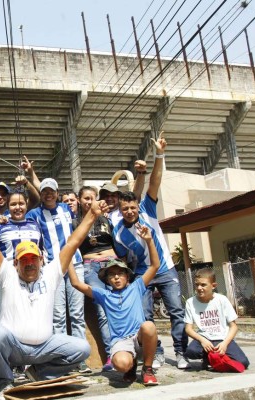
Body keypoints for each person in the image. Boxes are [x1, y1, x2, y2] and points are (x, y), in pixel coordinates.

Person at [0, 194, 106, 400]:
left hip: (45, 346)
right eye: (23, 260)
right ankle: (4, 382)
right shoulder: (7, 274)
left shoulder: (51, 274)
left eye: (33, 259)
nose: (29, 264)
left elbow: (72, 243)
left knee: (82, 348)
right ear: (15, 263)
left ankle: (38, 373)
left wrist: (92, 214)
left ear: (41, 260)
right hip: (14, 348)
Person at [112, 134, 190, 370]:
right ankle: (155, 353)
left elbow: (154, 182)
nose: (129, 211)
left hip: (165, 268)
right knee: (146, 317)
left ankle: (181, 353)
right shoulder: (117, 233)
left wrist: (159, 155)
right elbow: (124, 261)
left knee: (177, 310)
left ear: (137, 206)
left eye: (132, 207)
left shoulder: (148, 208)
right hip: (143, 275)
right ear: (120, 209)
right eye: (125, 208)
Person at [69, 225, 161, 387]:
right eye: (112, 274)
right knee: (120, 364)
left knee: (149, 326)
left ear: (127, 276)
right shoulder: (104, 295)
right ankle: (130, 367)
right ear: (107, 279)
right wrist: (69, 253)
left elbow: (154, 266)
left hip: (139, 339)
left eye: (120, 273)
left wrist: (149, 240)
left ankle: (147, 369)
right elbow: (76, 283)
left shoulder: (136, 287)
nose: (116, 277)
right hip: (121, 342)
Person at [26, 177, 89, 373]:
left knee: (77, 314)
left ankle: (81, 358)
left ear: (57, 192)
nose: (48, 194)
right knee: (58, 316)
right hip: (54, 267)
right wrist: (29, 176)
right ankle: (63, 359)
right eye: (44, 191)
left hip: (75, 263)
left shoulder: (66, 208)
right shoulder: (35, 214)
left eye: (51, 190)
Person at [73, 185, 116, 371]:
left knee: (118, 307)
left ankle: (126, 351)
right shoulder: (75, 222)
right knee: (101, 311)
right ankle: (110, 356)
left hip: (112, 264)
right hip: (90, 267)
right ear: (79, 200)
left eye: (92, 198)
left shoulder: (107, 218)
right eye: (85, 198)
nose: (89, 201)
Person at [184, 268, 249, 371]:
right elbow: (188, 329)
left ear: (213, 286)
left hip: (222, 338)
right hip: (204, 338)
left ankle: (214, 358)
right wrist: (202, 340)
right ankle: (208, 358)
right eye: (197, 285)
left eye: (203, 285)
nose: (199, 288)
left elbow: (233, 326)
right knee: (192, 351)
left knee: (243, 363)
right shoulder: (190, 302)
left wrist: (225, 343)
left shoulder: (222, 300)